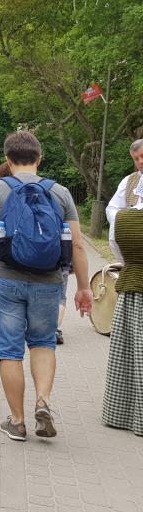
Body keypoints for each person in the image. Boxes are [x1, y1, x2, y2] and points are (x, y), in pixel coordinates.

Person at [0, 131, 91, 442]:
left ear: (8, 160)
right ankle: (43, 402)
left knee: (9, 348)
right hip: (50, 280)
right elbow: (77, 245)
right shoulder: (60, 192)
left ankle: (17, 422)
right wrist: (83, 288)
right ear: (39, 158)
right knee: (43, 343)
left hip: (8, 278)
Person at [102, 138, 143, 437]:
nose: (141, 162)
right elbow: (114, 216)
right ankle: (125, 412)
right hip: (133, 274)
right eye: (138, 159)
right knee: (130, 350)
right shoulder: (129, 183)